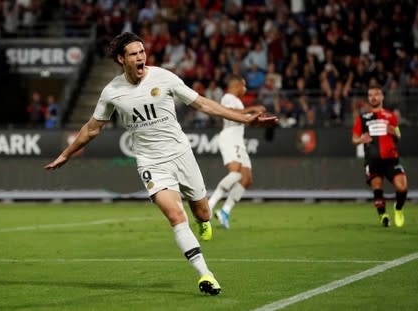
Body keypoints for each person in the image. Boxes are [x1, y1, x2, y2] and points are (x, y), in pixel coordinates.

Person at [44, 32, 277, 295]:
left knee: (201, 212)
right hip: (151, 162)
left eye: (142, 52)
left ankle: (204, 220)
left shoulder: (163, 77)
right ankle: (206, 275)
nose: (141, 57)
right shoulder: (112, 92)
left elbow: (202, 103)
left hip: (181, 154)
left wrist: (245, 119)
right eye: (134, 54)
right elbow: (92, 129)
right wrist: (66, 154)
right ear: (122, 59)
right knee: (176, 216)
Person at [208, 75, 267, 229]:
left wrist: (262, 121)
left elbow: (247, 120)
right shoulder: (228, 97)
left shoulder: (239, 102)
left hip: (238, 140)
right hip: (229, 137)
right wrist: (253, 108)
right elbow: (228, 111)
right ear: (236, 85)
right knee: (236, 174)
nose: (245, 89)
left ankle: (225, 212)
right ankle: (209, 205)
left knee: (246, 178)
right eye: (244, 85)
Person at [352, 85, 408, 227]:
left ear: (382, 96)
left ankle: (398, 208)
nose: (373, 97)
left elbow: (399, 136)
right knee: (377, 187)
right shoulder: (362, 118)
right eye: (370, 95)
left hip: (391, 159)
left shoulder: (391, 116)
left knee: (402, 187)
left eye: (376, 94)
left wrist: (393, 132)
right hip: (372, 160)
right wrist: (361, 140)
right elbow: (354, 139)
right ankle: (383, 215)